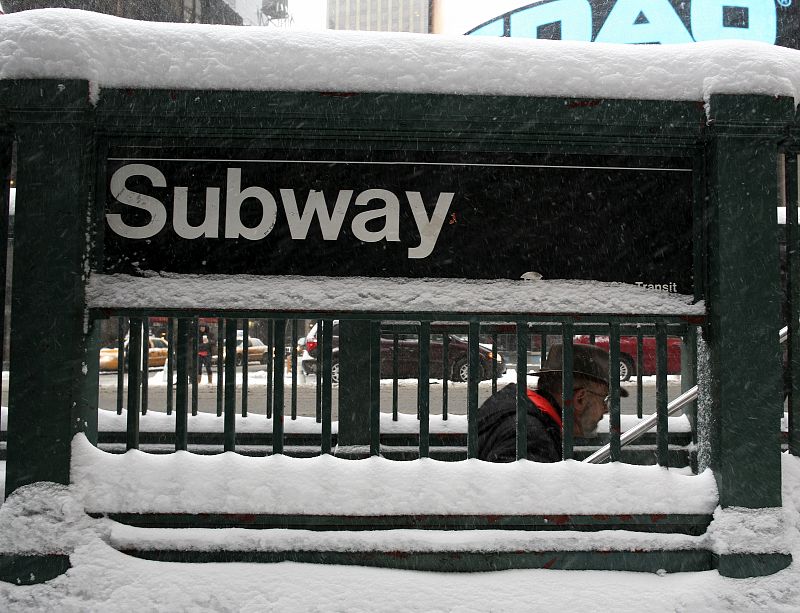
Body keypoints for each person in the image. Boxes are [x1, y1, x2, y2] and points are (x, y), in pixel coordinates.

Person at [478, 343, 627, 463]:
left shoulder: (517, 408)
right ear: (580, 398)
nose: (606, 410)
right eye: (604, 399)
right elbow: (518, 497)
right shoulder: (531, 436)